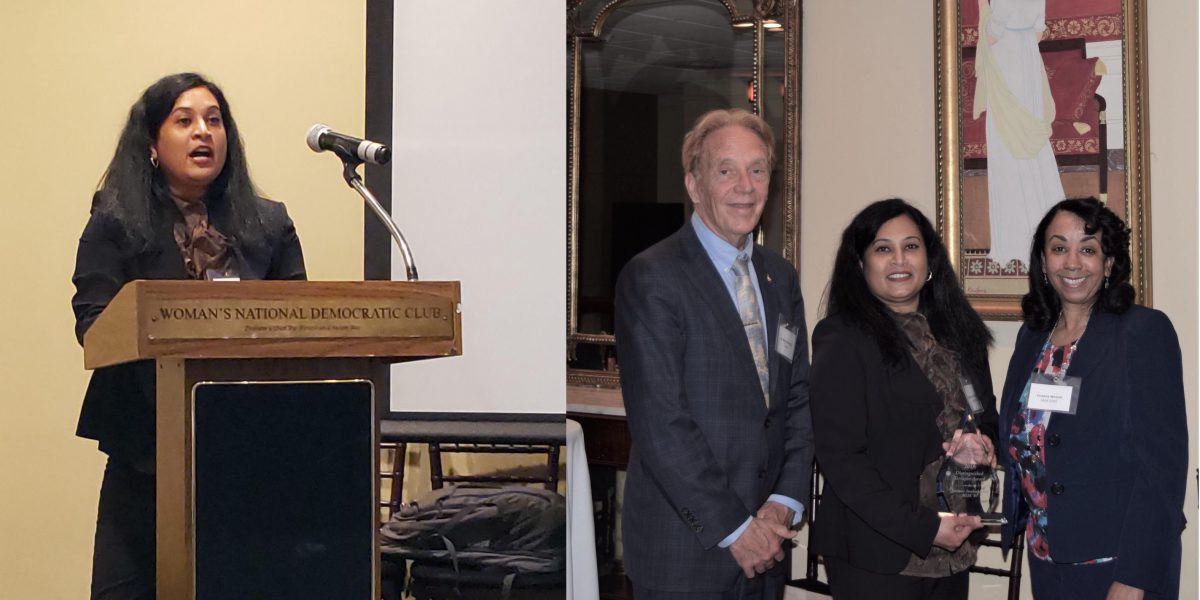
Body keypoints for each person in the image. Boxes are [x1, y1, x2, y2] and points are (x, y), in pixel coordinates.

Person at [71, 73, 307, 600]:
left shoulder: (270, 224)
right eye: (185, 120)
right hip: (148, 452)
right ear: (153, 144)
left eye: (214, 120)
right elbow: (94, 325)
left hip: (252, 451)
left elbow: (299, 323)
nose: (204, 132)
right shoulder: (115, 223)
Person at [614, 108, 813, 599]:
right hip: (686, 551)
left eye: (758, 170)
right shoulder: (653, 276)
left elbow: (797, 402)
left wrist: (781, 504)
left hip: (769, 544)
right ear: (694, 184)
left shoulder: (780, 277)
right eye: (725, 170)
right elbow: (662, 423)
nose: (744, 186)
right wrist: (737, 529)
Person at [998, 198, 1186, 599]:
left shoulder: (1142, 333)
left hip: (1116, 565)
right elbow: (1030, 436)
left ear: (1109, 262)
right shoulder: (1033, 337)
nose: (1072, 262)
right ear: (1043, 261)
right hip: (1047, 559)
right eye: (1059, 247)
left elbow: (1162, 471)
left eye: (1088, 249)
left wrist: (1135, 577)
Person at [809, 198, 995, 599]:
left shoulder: (961, 333)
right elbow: (842, 461)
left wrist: (981, 447)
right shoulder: (841, 339)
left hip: (955, 541)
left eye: (911, 246)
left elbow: (986, 417)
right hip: (878, 555)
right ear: (860, 264)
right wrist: (925, 528)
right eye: (882, 248)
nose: (899, 259)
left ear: (930, 260)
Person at [973, 0, 1066, 267]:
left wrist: (985, 11)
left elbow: (993, 34)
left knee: (1007, 145)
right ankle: (1045, 232)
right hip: (1026, 60)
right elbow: (1038, 31)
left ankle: (1014, 241)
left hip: (1006, 62)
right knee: (1028, 145)